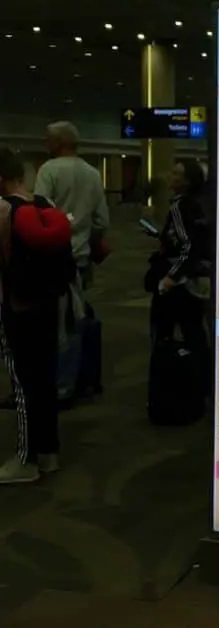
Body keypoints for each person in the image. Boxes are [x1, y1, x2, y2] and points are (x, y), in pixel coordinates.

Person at [0, 148, 73, 484]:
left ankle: (26, 460)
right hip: (48, 304)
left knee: (22, 383)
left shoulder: (4, 211)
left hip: (15, 307)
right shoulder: (45, 206)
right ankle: (48, 453)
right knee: (44, 380)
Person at [34, 121, 109, 403]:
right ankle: (77, 380)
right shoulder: (91, 173)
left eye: (48, 139)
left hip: (52, 260)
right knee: (76, 319)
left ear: (59, 142)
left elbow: (42, 211)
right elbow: (102, 220)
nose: (44, 143)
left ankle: (60, 385)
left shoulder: (49, 170)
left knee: (54, 325)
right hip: (80, 260)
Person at [147, 159, 211, 392]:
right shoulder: (198, 204)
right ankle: (202, 383)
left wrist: (170, 278)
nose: (170, 177)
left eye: (176, 174)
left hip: (181, 282)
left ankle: (174, 387)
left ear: (187, 182)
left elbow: (188, 246)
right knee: (195, 332)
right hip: (197, 279)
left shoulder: (179, 207)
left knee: (166, 333)